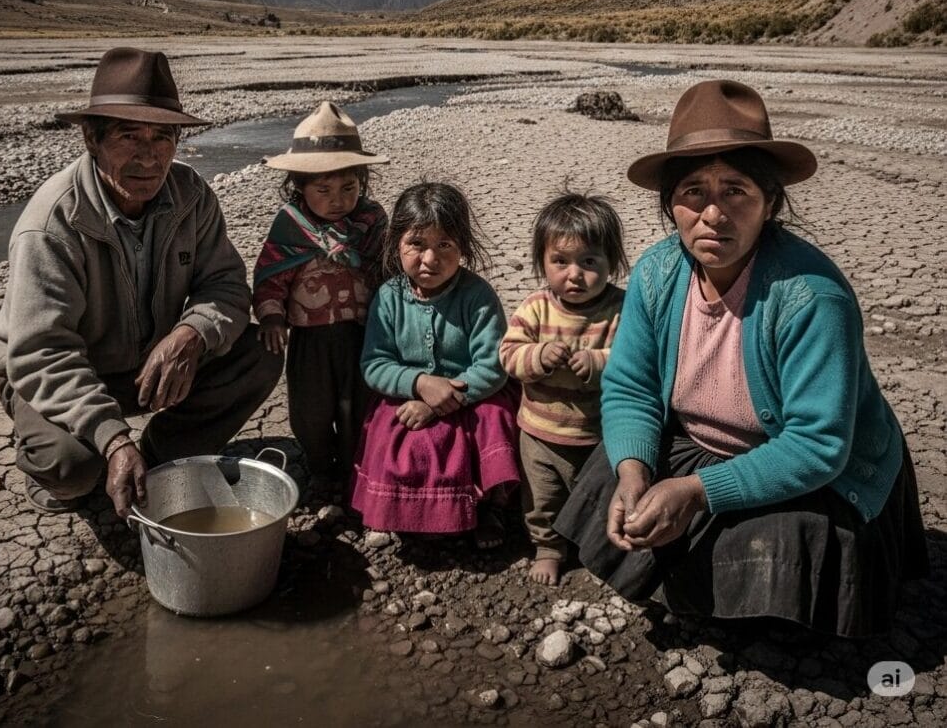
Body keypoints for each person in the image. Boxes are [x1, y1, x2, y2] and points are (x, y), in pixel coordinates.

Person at [556, 79, 928, 636]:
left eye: (736, 191)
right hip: (697, 442)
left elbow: (818, 443)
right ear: (670, 204)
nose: (713, 214)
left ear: (770, 202)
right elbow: (630, 386)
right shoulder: (659, 272)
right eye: (693, 192)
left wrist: (697, 492)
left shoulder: (810, 297)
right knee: (616, 459)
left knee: (788, 536)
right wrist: (634, 472)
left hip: (804, 467)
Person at [0, 47, 282, 518]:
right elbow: (42, 351)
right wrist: (113, 437)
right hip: (53, 373)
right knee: (72, 468)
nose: (149, 156)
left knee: (260, 353)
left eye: (163, 137)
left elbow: (226, 285)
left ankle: (159, 456)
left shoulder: (192, 197)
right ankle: (76, 469)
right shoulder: (53, 224)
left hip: (145, 364)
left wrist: (191, 334)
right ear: (91, 138)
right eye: (128, 135)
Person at [351, 182, 519, 548]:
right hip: (409, 395)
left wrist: (441, 401)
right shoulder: (389, 297)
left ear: (463, 247)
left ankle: (490, 507)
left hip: (473, 395)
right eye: (417, 244)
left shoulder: (477, 296)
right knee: (393, 433)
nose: (430, 259)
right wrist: (419, 384)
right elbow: (375, 363)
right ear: (396, 244)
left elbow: (493, 365)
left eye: (444, 245)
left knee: (495, 420)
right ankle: (396, 509)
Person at [252, 101, 388, 487]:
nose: (337, 200)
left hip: (363, 335)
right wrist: (272, 316)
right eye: (323, 190)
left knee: (357, 405)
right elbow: (270, 276)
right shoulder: (291, 226)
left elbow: (385, 271)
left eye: (349, 187)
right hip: (310, 340)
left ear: (363, 181)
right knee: (310, 410)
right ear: (299, 186)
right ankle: (319, 466)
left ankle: (352, 468)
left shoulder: (372, 220)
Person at [500, 193, 627, 585]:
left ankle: (596, 547)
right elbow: (508, 355)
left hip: (598, 434)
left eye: (589, 262)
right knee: (543, 497)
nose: (574, 274)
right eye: (560, 262)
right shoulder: (536, 307)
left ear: (612, 263)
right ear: (543, 262)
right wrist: (536, 357)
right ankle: (548, 547)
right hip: (541, 432)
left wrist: (598, 361)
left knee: (598, 497)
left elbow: (636, 360)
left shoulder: (621, 309)